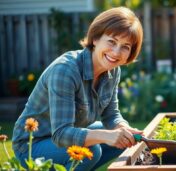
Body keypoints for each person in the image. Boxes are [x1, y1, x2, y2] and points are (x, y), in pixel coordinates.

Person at [12, 7, 143, 171]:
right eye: (111, 41)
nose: (116, 52)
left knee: (124, 140)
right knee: (90, 151)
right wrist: (106, 136)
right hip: (32, 144)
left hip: (62, 136)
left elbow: (111, 115)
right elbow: (61, 134)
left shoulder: (113, 70)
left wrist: (124, 129)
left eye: (126, 46)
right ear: (95, 38)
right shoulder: (66, 70)